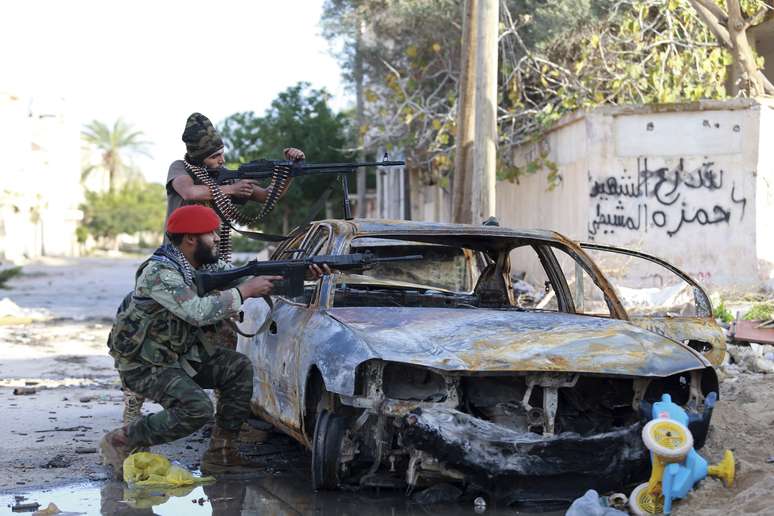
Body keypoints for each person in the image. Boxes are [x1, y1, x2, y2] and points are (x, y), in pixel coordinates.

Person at [100, 205, 322, 479]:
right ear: (190, 239)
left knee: (237, 368)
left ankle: (222, 453)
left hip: (179, 356)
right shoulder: (159, 273)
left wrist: (303, 275)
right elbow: (197, 312)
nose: (218, 237)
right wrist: (244, 291)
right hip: (145, 365)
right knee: (198, 410)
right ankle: (123, 439)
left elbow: (255, 280)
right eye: (211, 233)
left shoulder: (206, 266)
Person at [121, 113, 303, 425]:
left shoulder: (224, 178)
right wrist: (229, 191)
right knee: (162, 333)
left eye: (221, 154)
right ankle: (134, 406)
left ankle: (225, 413)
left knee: (224, 331)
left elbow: (267, 198)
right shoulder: (180, 169)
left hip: (209, 261)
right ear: (199, 157)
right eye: (215, 156)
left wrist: (287, 172)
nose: (221, 160)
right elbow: (190, 193)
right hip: (180, 261)